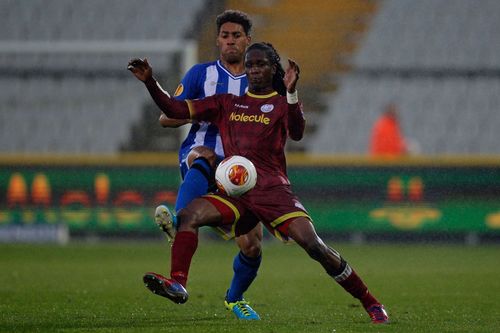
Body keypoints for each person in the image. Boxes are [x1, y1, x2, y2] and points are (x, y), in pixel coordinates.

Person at [128, 42, 390, 324]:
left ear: (272, 68)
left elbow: (298, 132)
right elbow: (174, 108)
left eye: (261, 64)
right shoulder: (226, 102)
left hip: (272, 191)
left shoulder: (281, 103)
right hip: (237, 191)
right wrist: (151, 82)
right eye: (250, 64)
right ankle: (178, 283)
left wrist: (291, 93)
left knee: (314, 246)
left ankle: (371, 303)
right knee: (189, 215)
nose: (254, 70)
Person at [144, 10, 263, 320]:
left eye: (236, 36)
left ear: (247, 40)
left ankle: (235, 299)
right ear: (218, 41)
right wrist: (205, 112)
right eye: (225, 36)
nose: (230, 41)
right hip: (201, 157)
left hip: (240, 169)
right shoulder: (200, 74)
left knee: (251, 245)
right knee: (201, 155)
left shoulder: (261, 78)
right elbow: (167, 117)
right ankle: (177, 258)